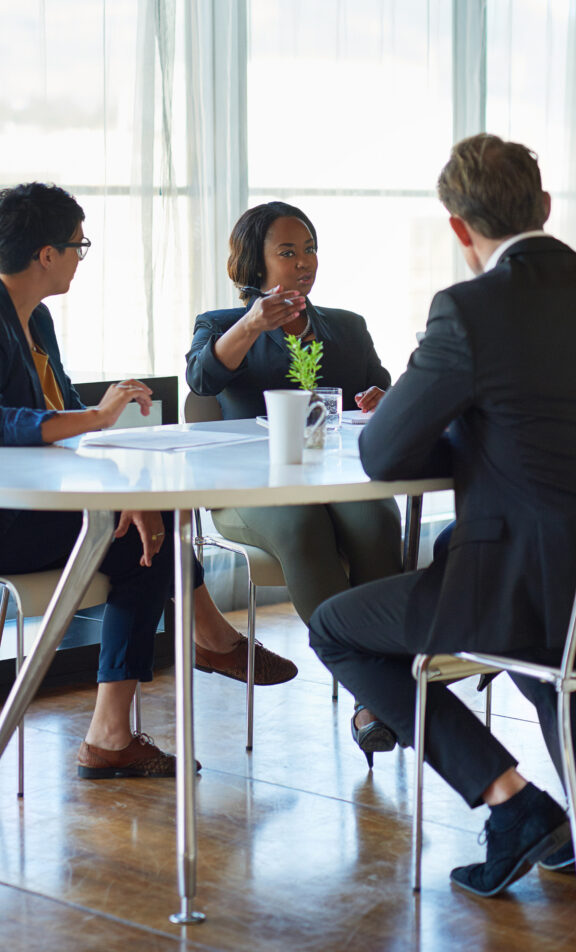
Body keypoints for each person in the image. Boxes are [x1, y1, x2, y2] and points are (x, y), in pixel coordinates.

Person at [308, 134, 576, 897]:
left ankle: (509, 802)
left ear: (458, 228)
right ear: (546, 210)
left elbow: (384, 455)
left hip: (538, 596)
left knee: (337, 628)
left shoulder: (468, 309)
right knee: (505, 584)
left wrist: (456, 414)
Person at [0, 183, 296, 780]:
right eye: (78, 244)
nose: (82, 254)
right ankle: (170, 678)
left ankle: (132, 714)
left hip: (25, 509)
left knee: (145, 531)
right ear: (44, 254)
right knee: (143, 544)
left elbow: (64, 420)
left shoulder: (33, 318)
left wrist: (120, 491)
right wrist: (100, 420)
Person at [185, 201, 404, 758]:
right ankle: (372, 691)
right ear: (254, 263)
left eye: (309, 249)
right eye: (288, 252)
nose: (304, 262)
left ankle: (382, 675)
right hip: (250, 493)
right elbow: (202, 379)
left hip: (333, 481)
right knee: (304, 525)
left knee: (377, 516)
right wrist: (252, 323)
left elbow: (381, 392)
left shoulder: (347, 326)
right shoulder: (219, 326)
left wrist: (380, 400)